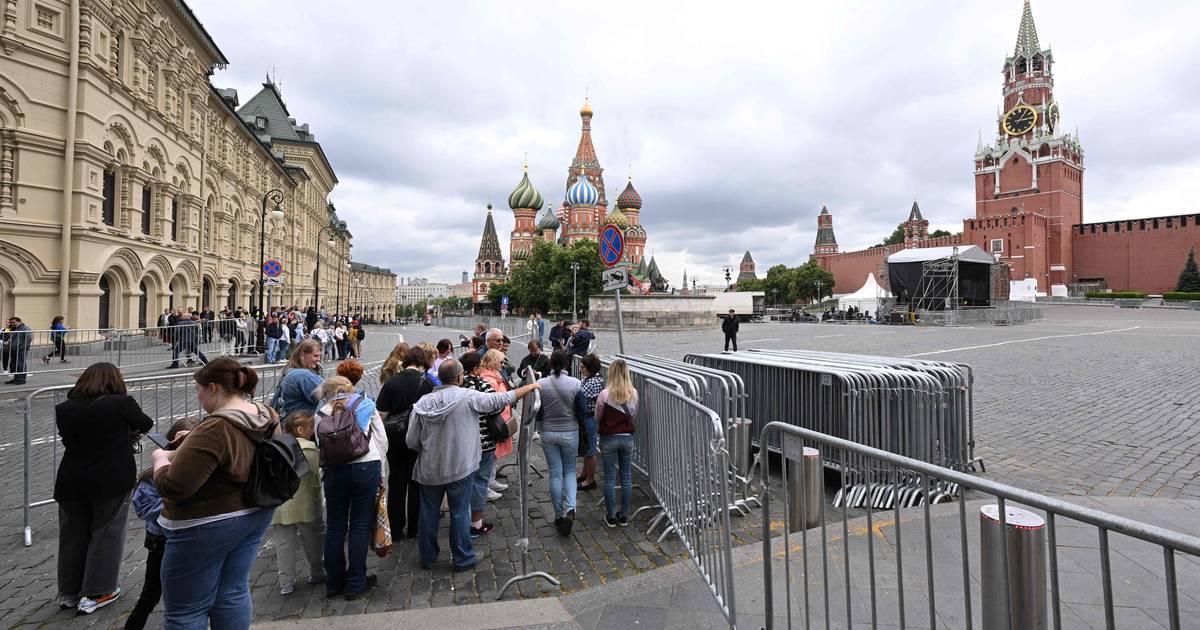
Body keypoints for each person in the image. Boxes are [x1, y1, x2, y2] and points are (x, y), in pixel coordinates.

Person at [151, 358, 277, 628]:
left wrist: (160, 459)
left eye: (198, 389)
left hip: (208, 520)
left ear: (213, 388)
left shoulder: (215, 427)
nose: (197, 396)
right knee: (232, 592)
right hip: (255, 510)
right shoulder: (265, 413)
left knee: (185, 610)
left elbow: (175, 487)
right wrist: (194, 440)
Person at [407, 359, 538, 571]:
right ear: (459, 377)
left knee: (428, 512)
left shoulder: (423, 403)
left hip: (429, 468)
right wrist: (530, 386)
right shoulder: (468, 397)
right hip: (460, 466)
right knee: (460, 512)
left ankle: (428, 557)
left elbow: (411, 441)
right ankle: (462, 557)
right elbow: (501, 399)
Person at [54, 363, 153, 614]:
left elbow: (70, 440)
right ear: (114, 381)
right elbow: (146, 423)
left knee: (72, 536)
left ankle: (69, 592)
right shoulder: (121, 403)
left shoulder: (64, 408)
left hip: (71, 478)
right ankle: (99, 590)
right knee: (107, 532)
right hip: (111, 477)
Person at [314, 373, 388, 600]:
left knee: (335, 526)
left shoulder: (320, 413)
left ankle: (334, 583)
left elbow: (320, 445)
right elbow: (382, 439)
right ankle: (356, 582)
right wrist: (381, 467)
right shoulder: (365, 404)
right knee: (359, 524)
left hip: (334, 470)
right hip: (365, 466)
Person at [125, 418, 197, 630]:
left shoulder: (201, 471)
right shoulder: (152, 476)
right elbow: (145, 509)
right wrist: (177, 496)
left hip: (191, 541)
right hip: (161, 542)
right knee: (150, 595)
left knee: (196, 595)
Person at [376, 346, 434, 540]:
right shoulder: (427, 382)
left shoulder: (391, 382)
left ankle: (396, 525)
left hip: (395, 438)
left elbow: (381, 414)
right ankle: (414, 527)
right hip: (420, 438)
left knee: (397, 482)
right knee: (417, 482)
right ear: (422, 362)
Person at [271, 411, 325, 596]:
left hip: (280, 507)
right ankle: (316, 571)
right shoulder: (309, 448)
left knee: (283, 545)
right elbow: (317, 472)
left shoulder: (276, 447)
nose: (313, 431)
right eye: (311, 428)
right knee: (313, 540)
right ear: (301, 430)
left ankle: (286, 581)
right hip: (307, 504)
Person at [536, 350, 584, 535]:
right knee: (570, 470)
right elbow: (580, 410)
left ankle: (557, 515)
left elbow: (538, 411)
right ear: (567, 364)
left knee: (555, 474)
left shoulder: (541, 384)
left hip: (548, 431)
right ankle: (570, 509)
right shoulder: (576, 384)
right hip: (570, 431)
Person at [460, 352, 501, 535]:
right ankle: (476, 524)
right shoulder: (483, 385)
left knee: (463, 482)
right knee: (480, 482)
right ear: (476, 369)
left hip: (462, 441)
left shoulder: (458, 385)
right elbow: (496, 406)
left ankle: (462, 519)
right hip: (484, 442)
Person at [596, 359, 640, 527]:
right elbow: (634, 414)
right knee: (626, 477)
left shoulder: (605, 394)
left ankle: (611, 515)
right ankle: (624, 515)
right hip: (627, 437)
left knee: (609, 478)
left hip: (609, 438)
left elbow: (598, 416)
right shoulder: (634, 393)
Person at [271, 339, 324, 421]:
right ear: (303, 355)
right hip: (302, 426)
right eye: (315, 356)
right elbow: (328, 395)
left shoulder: (290, 370)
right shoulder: (303, 376)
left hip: (290, 423)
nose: (319, 359)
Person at [577, 354, 604, 491]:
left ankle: (590, 480)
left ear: (590, 368)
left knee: (591, 450)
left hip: (590, 418)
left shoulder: (593, 382)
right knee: (588, 448)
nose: (580, 369)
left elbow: (579, 395)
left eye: (583, 367)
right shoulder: (591, 379)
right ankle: (584, 474)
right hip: (587, 418)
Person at [3, 316, 31, 384]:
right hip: (14, 349)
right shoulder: (15, 329)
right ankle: (16, 378)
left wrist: (23, 347)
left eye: (14, 322)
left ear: (19, 321)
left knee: (20, 364)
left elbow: (28, 338)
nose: (12, 323)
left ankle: (21, 380)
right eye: (11, 322)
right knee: (15, 364)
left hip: (20, 349)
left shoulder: (25, 328)